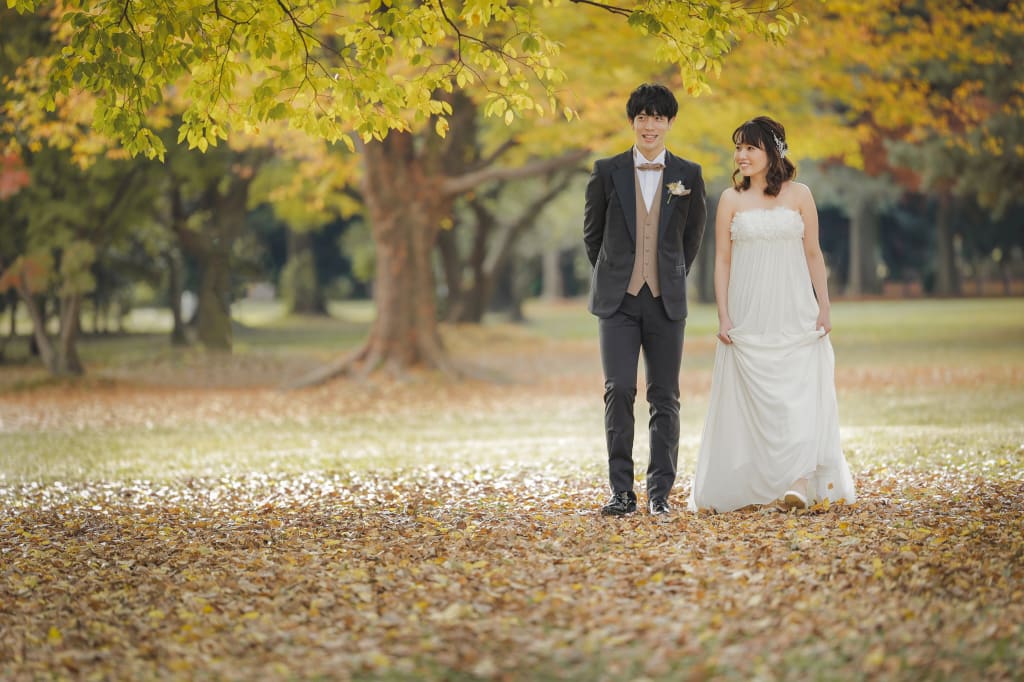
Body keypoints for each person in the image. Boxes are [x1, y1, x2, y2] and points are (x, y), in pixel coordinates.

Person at [689, 116, 857, 513]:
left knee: (798, 393)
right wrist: (724, 316)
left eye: (750, 148)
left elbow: (814, 253)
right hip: (749, 313)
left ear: (772, 152)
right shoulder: (730, 199)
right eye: (738, 148)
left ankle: (799, 480)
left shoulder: (800, 195)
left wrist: (824, 306)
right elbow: (722, 262)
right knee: (755, 402)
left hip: (794, 307)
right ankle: (757, 482)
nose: (741, 155)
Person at [584, 83, 707, 516]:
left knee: (665, 396)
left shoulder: (689, 175)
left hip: (665, 302)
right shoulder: (606, 171)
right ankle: (621, 491)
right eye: (642, 117)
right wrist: (616, 275)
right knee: (618, 390)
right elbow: (592, 236)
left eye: (658, 117)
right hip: (617, 302)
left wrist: (668, 276)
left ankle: (659, 494)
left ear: (670, 122)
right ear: (632, 121)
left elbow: (692, 238)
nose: (649, 125)